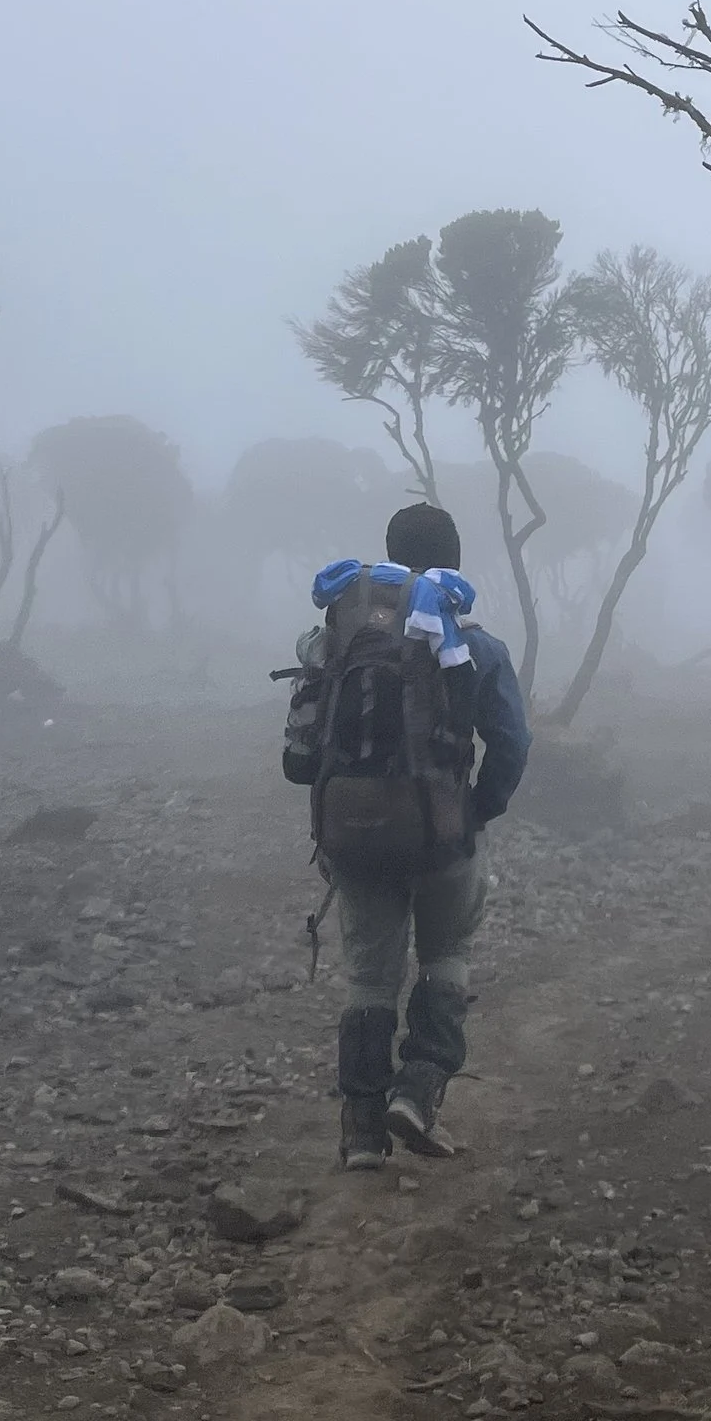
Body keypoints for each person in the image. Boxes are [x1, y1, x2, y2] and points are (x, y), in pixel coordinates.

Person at [296, 499, 529, 1167]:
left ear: (389, 555)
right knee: (446, 952)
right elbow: (512, 742)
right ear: (453, 562)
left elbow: (304, 745)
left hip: (353, 832)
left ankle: (362, 1132)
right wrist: (478, 807)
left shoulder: (338, 637)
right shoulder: (477, 647)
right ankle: (420, 1089)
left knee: (370, 979)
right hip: (443, 833)